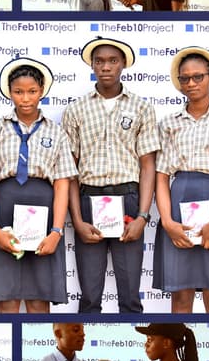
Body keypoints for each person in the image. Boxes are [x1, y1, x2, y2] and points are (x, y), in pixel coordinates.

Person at [62, 37, 159, 313]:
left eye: (113, 61)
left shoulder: (141, 107)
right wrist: (78, 221)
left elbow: (148, 164)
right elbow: (70, 171)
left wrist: (142, 216)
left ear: (124, 64)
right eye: (99, 61)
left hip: (128, 200)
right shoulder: (76, 109)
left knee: (130, 298)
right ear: (92, 65)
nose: (106, 67)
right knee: (89, 298)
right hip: (88, 202)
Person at [0, 57, 77, 313]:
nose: (25, 98)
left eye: (32, 91)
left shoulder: (56, 132)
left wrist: (56, 231)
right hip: (4, 215)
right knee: (7, 298)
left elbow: (62, 185)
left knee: (38, 299)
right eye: (18, 92)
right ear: (9, 92)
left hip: (43, 217)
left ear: (42, 91)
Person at [152, 47, 209, 313]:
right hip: (179, 204)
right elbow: (161, 175)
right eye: (185, 78)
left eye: (198, 77)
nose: (191, 83)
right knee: (180, 295)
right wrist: (168, 222)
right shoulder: (169, 123)